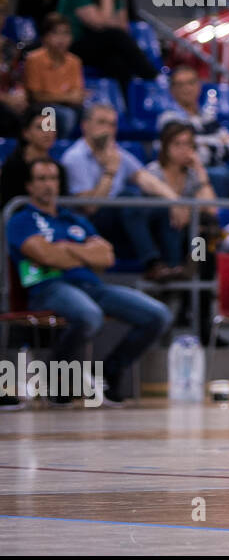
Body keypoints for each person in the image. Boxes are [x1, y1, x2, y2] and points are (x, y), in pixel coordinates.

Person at [5, 157, 171, 405]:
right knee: (89, 315)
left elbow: (106, 257)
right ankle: (55, 377)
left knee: (158, 315)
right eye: (41, 179)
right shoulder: (22, 220)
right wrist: (83, 253)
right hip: (48, 288)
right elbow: (44, 255)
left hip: (93, 286)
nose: (49, 185)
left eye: (53, 178)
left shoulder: (74, 220)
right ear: (29, 186)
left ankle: (109, 372)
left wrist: (65, 250)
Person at [156, 64, 229, 196]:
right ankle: (217, 216)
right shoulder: (168, 119)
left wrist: (202, 145)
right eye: (180, 84)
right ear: (172, 90)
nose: (186, 89)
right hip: (189, 173)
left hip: (220, 169)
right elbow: (187, 154)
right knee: (220, 175)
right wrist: (219, 144)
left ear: (199, 86)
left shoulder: (208, 118)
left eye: (191, 83)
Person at [143, 120, 215, 271]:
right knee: (175, 220)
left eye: (188, 144)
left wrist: (199, 169)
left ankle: (196, 266)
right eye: (177, 144)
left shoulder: (191, 174)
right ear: (165, 146)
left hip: (188, 234)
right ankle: (180, 269)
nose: (184, 149)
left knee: (206, 223)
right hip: (160, 231)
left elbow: (211, 207)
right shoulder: (154, 172)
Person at [21, 11, 82, 137]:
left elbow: (77, 95)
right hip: (40, 107)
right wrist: (66, 97)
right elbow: (36, 97)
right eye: (56, 33)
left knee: (92, 115)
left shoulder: (75, 61)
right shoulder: (34, 59)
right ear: (45, 37)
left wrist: (64, 97)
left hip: (67, 105)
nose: (61, 39)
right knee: (65, 115)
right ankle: (54, 147)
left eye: (66, 33)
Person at [1, 104, 65, 204]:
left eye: (50, 127)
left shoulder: (58, 167)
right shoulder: (13, 167)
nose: (47, 133)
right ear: (26, 133)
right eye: (40, 127)